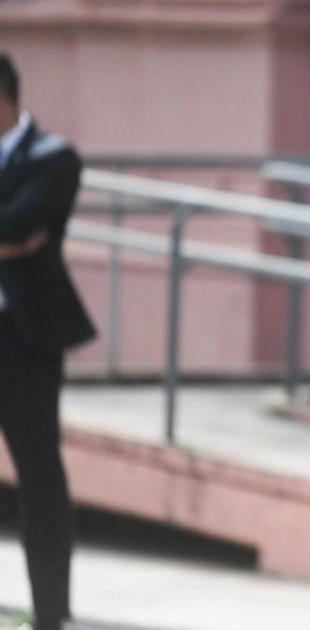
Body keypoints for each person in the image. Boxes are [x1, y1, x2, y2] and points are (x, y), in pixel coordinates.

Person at [0, 51, 95, 630]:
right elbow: (14, 232)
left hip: (25, 342)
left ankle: (50, 613)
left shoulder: (54, 156)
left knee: (39, 478)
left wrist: (17, 234)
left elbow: (23, 224)